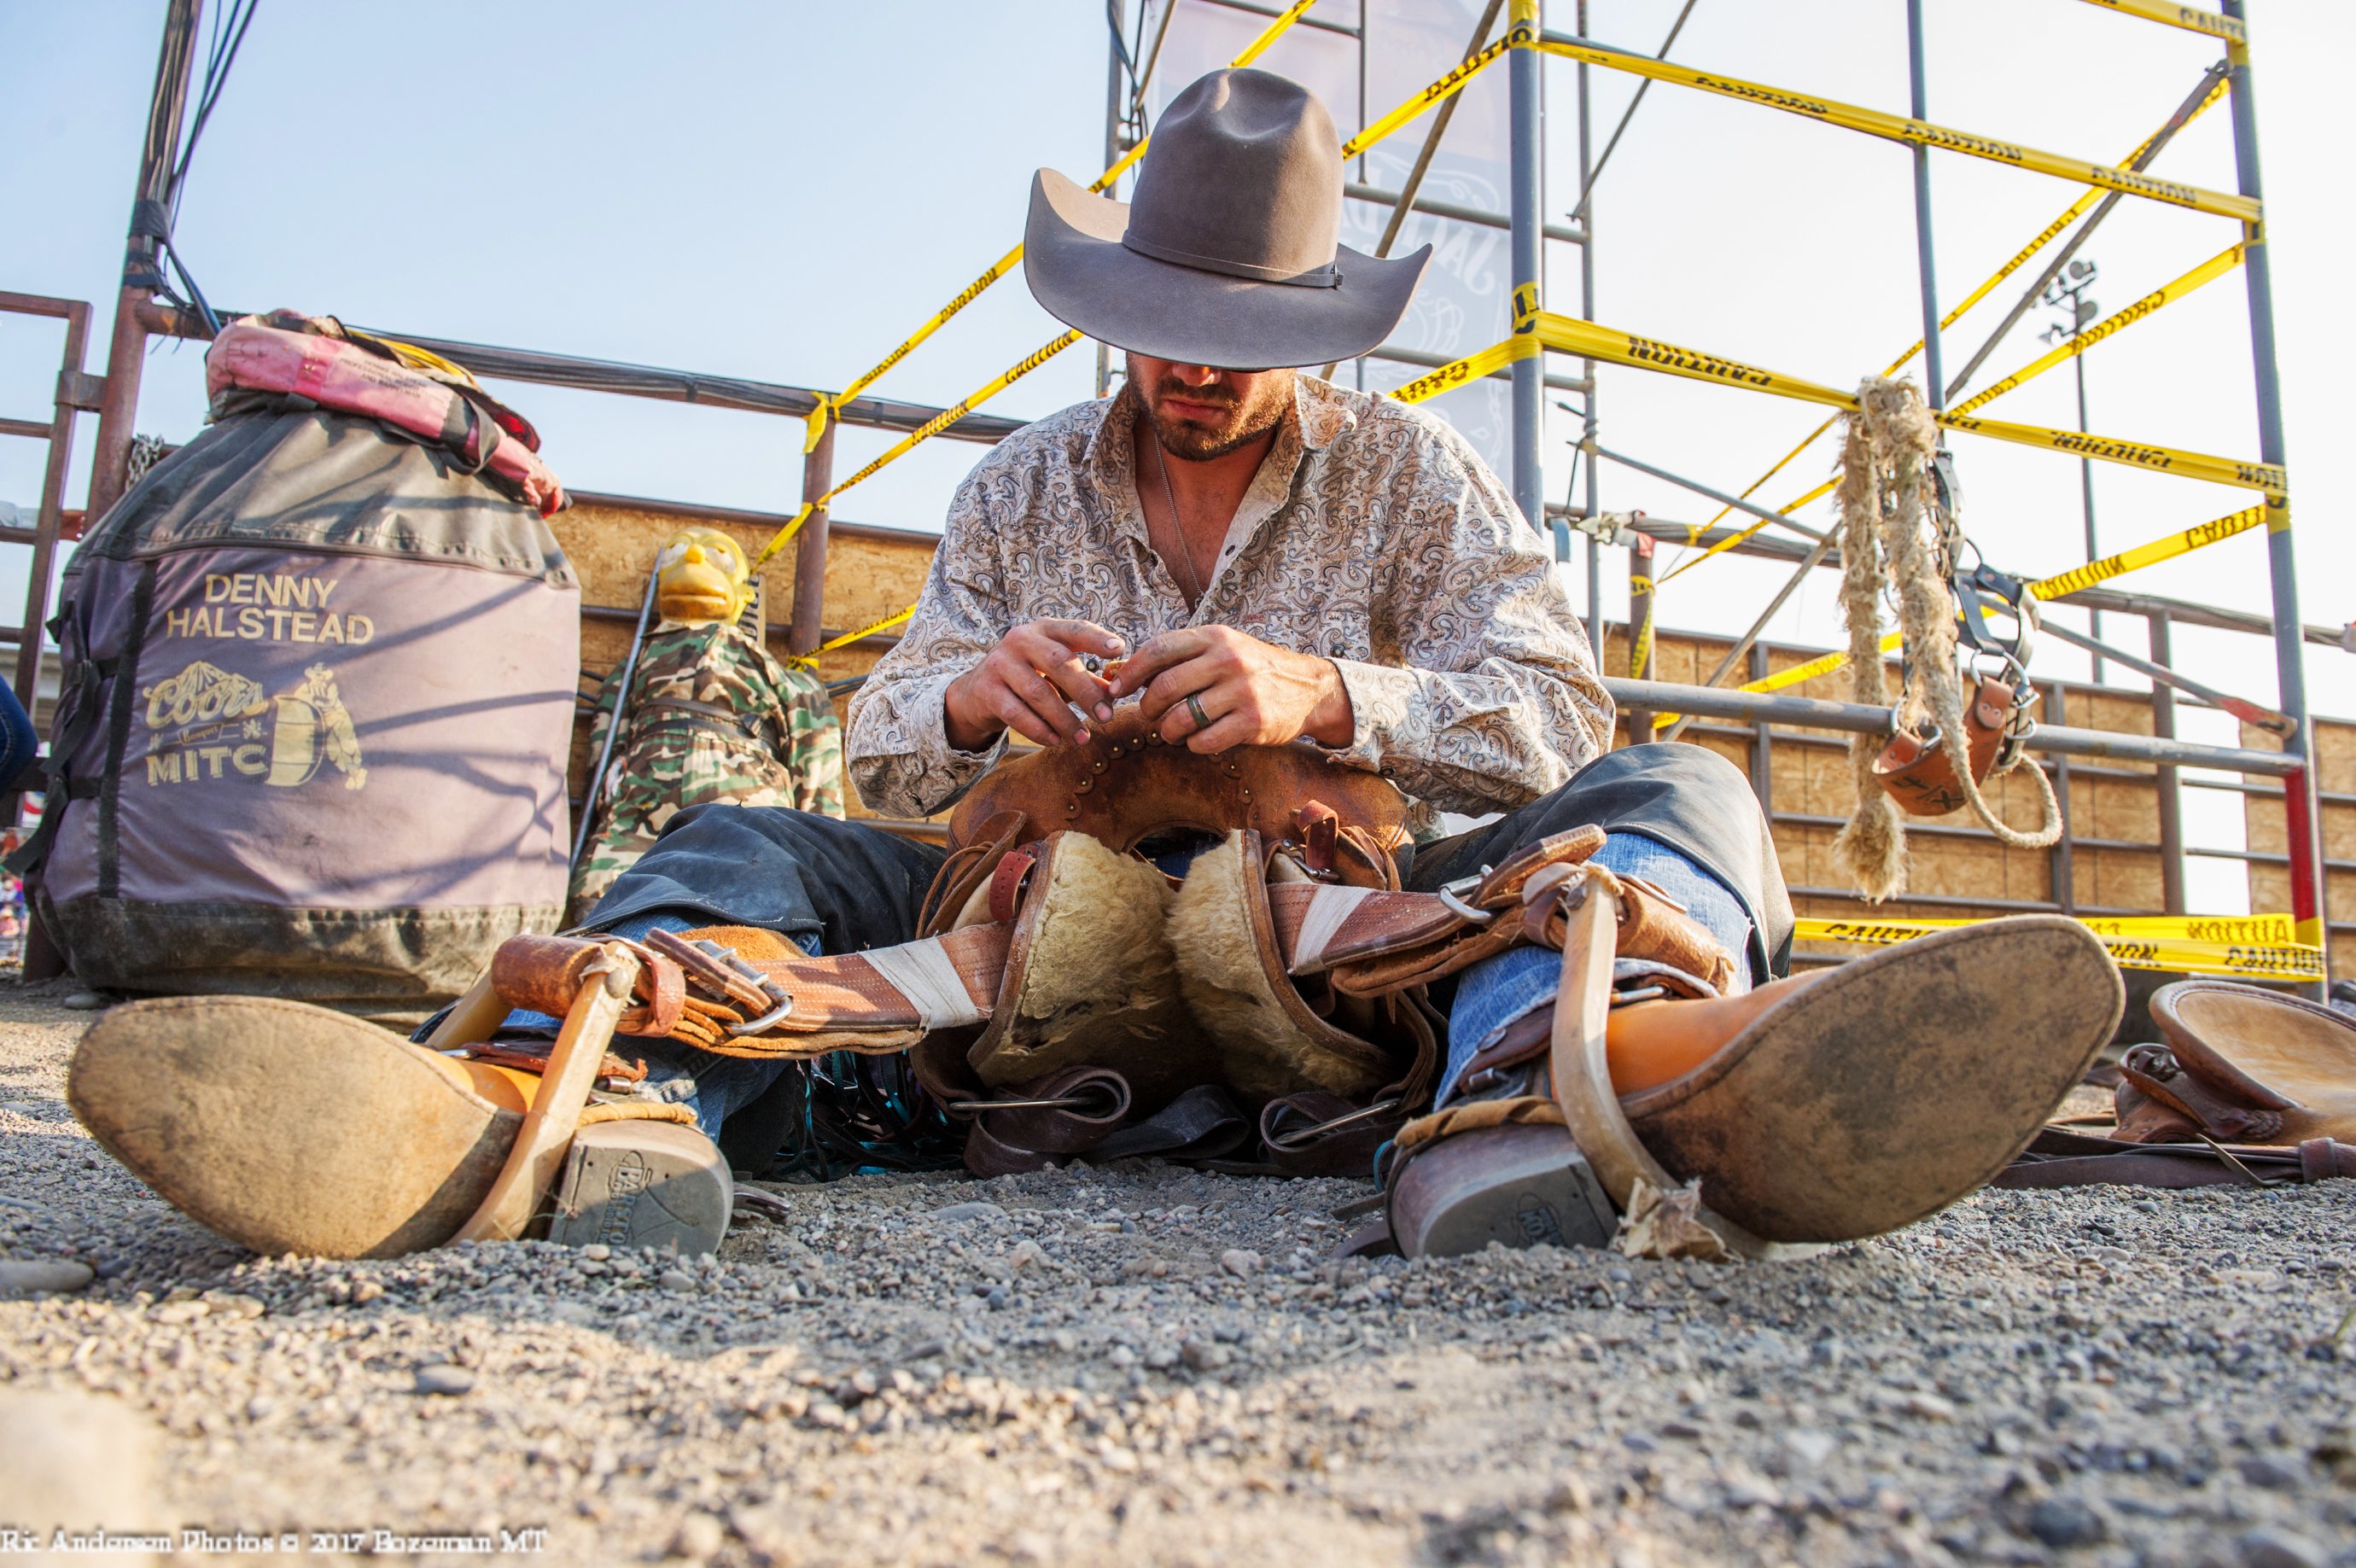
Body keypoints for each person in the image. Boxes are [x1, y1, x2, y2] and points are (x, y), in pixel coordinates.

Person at [74, 67, 2118, 1264]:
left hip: (1337, 928)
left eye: (1238, 330)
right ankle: (585, 1088)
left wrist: (1334, 698)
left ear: (1320, 329)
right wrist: (967, 698)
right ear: (1109, 300)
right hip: (1017, 919)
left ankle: (1587, 1086)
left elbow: (1555, 706)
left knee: (1678, 788)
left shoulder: (1415, 479)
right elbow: (881, 754)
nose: (1192, 365)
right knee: (739, 835)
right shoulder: (1017, 486)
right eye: (1157, 319)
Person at [568, 527, 843, 924]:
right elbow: (605, 745)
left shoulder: (771, 672)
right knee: (601, 904)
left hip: (745, 803)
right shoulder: (633, 668)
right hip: (640, 803)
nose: (694, 562)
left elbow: (815, 748)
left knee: (755, 904)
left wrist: (821, 849)